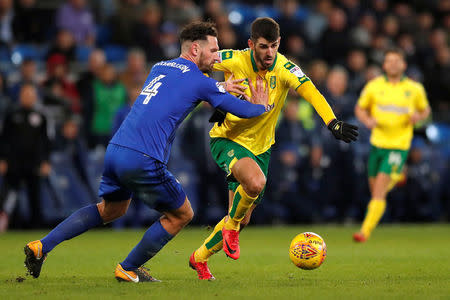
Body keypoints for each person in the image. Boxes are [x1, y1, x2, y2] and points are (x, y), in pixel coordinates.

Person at [23, 21, 270, 283]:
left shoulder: (160, 67)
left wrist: (218, 88)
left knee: (110, 210)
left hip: (117, 150)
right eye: (214, 50)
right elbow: (241, 110)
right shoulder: (201, 81)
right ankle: (129, 267)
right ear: (196, 49)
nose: (217, 56)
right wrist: (263, 107)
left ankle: (42, 246)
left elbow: (177, 90)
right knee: (182, 214)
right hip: (144, 157)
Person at [189, 17, 358, 280]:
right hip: (228, 139)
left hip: (261, 149)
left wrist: (332, 122)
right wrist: (217, 93)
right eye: (264, 46)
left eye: (274, 46)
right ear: (251, 44)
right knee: (255, 185)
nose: (270, 53)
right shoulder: (233, 59)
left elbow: (312, 92)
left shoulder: (285, 68)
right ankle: (230, 228)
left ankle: (198, 258)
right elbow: (194, 64)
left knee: (243, 219)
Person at [352, 48, 430, 242]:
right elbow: (360, 108)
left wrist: (418, 117)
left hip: (398, 146)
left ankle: (364, 231)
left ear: (403, 65)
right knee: (376, 191)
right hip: (377, 144)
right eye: (389, 61)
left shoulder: (414, 89)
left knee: (378, 190)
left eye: (397, 61)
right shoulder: (374, 86)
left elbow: (425, 110)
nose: (393, 64)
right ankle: (398, 175)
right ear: (384, 65)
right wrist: (367, 120)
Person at [0, 83, 51, 232]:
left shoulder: (41, 117)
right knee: (11, 195)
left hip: (34, 163)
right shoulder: (11, 115)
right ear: (20, 96)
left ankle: (36, 226)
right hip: (14, 163)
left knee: (35, 195)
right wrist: (2, 159)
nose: (28, 97)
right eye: (25, 94)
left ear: (35, 97)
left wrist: (46, 161)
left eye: (30, 95)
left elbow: (46, 141)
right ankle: (13, 225)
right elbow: (4, 139)